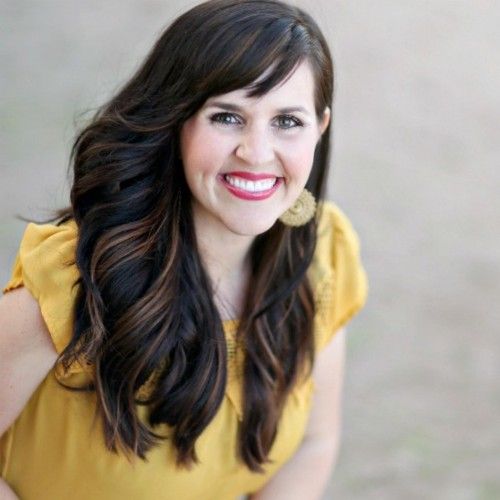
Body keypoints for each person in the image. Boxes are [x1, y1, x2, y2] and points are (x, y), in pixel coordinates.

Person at [0, 0, 368, 498]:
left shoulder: (324, 252)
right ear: (176, 122)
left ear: (320, 128)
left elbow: (313, 444)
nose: (257, 153)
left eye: (287, 121)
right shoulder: (76, 275)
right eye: (226, 117)